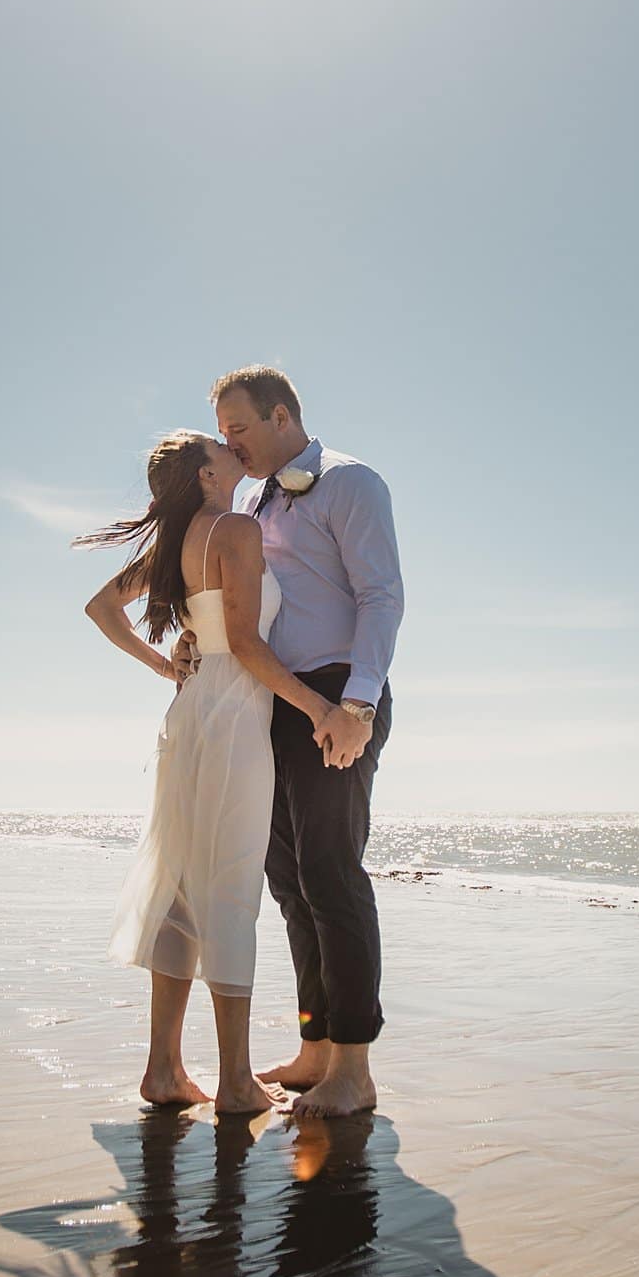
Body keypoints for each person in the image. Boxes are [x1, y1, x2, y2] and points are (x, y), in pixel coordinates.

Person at [80, 431, 346, 1115]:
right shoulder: (231, 528)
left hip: (193, 715)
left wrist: (168, 668)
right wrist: (320, 705)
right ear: (206, 474)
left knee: (182, 888)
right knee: (228, 890)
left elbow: (101, 608)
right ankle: (234, 1083)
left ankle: (163, 1071)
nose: (234, 449)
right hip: (231, 721)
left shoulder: (176, 542)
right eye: (220, 448)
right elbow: (249, 644)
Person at [208, 366, 403, 1118]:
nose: (232, 445)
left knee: (331, 872)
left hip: (338, 694)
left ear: (282, 414)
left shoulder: (353, 483)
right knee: (288, 879)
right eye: (223, 434)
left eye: (240, 429)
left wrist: (355, 703)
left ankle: (354, 1070)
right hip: (277, 703)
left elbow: (381, 595)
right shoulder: (254, 499)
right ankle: (316, 1046)